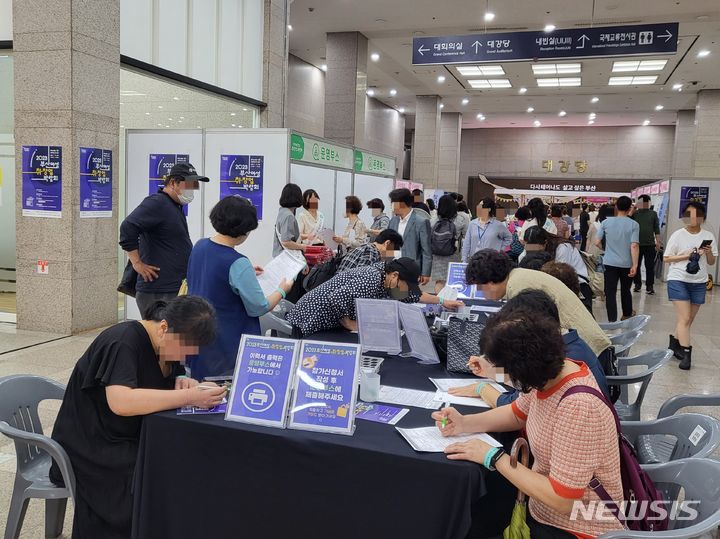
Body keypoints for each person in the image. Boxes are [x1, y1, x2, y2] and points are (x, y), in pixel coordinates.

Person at [433, 311, 623, 539]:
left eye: (507, 372)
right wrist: (464, 423)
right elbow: (516, 414)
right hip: (542, 512)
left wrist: (494, 457)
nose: (505, 378)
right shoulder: (551, 374)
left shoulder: (578, 407)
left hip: (577, 529)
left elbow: (562, 499)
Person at [49, 296, 225, 538]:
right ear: (164, 327)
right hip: (92, 443)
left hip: (127, 434)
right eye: (184, 349)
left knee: (183, 461)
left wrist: (180, 381)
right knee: (153, 477)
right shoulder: (123, 341)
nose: (184, 357)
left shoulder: (163, 345)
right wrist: (189, 398)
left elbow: (156, 381)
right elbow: (121, 401)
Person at [186, 196, 294, 380]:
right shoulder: (237, 262)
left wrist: (246, 271)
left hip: (198, 336)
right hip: (227, 343)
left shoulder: (200, 245)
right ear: (243, 231)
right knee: (228, 389)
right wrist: (283, 289)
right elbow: (259, 307)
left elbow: (209, 272)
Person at [449, 289, 610, 405]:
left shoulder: (565, 360)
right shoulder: (566, 344)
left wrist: (481, 388)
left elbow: (514, 403)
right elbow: (525, 382)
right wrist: (492, 372)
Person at [465, 249, 613, 366]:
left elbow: (532, 340)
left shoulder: (519, 287)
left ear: (490, 280)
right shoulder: (519, 277)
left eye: (480, 286)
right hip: (583, 350)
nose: (480, 292)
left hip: (588, 356)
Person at [119, 162, 208, 316]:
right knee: (163, 338)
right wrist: (137, 263)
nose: (192, 190)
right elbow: (127, 227)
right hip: (158, 293)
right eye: (189, 184)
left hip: (172, 289)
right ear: (173, 183)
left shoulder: (174, 206)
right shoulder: (157, 202)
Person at [287, 258, 423, 337]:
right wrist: (349, 323)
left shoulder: (385, 279)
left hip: (324, 322)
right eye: (406, 286)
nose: (406, 291)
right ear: (395, 275)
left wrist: (441, 301)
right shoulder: (372, 278)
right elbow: (337, 298)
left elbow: (410, 296)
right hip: (309, 317)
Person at [664, 201, 717, 370]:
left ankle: (673, 343)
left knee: (687, 319)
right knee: (685, 318)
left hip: (698, 281)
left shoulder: (708, 235)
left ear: (702, 217)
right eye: (688, 214)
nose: (691, 218)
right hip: (678, 278)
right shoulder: (677, 235)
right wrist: (685, 256)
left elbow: (711, 261)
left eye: (695, 215)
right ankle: (686, 354)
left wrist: (708, 252)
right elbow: (666, 258)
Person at [521, 226, 592, 314]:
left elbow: (561, 275)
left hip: (577, 288)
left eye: (537, 250)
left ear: (545, 243)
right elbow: (522, 260)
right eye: (529, 249)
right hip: (552, 289)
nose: (534, 253)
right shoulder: (530, 246)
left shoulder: (563, 248)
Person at [596, 196, 639, 322]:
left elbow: (597, 242)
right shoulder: (634, 224)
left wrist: (606, 250)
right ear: (629, 207)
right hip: (626, 263)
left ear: (616, 206)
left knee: (610, 291)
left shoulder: (606, 223)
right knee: (626, 290)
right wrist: (635, 265)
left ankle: (612, 319)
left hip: (609, 262)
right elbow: (634, 245)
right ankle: (626, 314)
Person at [388, 188, 432, 284]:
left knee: (409, 295)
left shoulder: (421, 222)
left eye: (393, 203)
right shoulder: (393, 221)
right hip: (393, 266)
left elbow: (426, 250)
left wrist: (425, 273)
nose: (391, 206)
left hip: (411, 268)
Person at [461, 197, 512, 262]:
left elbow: (509, 238)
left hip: (491, 261)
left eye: (481, 207)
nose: (478, 208)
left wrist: (499, 249)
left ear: (489, 209)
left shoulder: (498, 225)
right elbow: (467, 242)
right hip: (474, 260)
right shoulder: (472, 223)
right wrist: (464, 258)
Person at [632, 194, 662, 295]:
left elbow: (656, 229)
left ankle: (650, 286)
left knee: (649, 266)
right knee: (636, 265)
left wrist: (658, 242)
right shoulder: (635, 213)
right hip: (636, 244)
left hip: (650, 244)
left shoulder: (653, 214)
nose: (645, 204)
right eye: (642, 202)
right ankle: (637, 284)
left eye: (646, 202)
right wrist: (635, 207)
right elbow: (628, 219)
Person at [430, 194, 460, 292]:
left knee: (439, 282)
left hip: (436, 255)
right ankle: (450, 302)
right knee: (452, 282)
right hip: (452, 254)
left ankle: (439, 302)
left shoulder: (434, 220)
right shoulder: (456, 221)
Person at [337, 228, 404, 272]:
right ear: (387, 243)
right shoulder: (371, 252)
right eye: (392, 251)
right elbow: (361, 279)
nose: (391, 256)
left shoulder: (366, 247)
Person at [273, 183, 307, 257]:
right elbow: (286, 242)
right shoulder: (288, 216)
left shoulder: (282, 212)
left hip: (279, 256)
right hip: (287, 259)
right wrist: (302, 247)